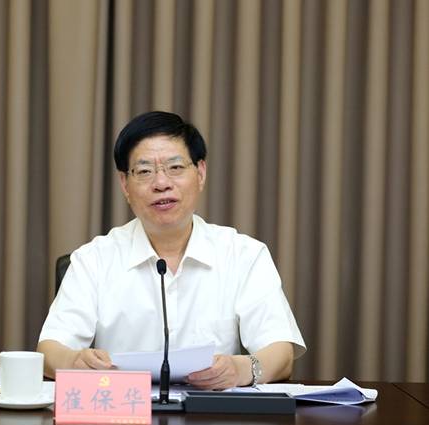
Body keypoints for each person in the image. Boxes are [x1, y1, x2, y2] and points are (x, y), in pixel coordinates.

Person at [37, 111, 306, 390]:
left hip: (214, 413)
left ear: (200, 173)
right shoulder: (94, 259)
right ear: (125, 184)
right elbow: (50, 349)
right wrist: (74, 362)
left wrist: (241, 369)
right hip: (122, 410)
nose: (161, 183)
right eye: (144, 171)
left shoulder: (244, 254)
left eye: (175, 167)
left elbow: (280, 353)